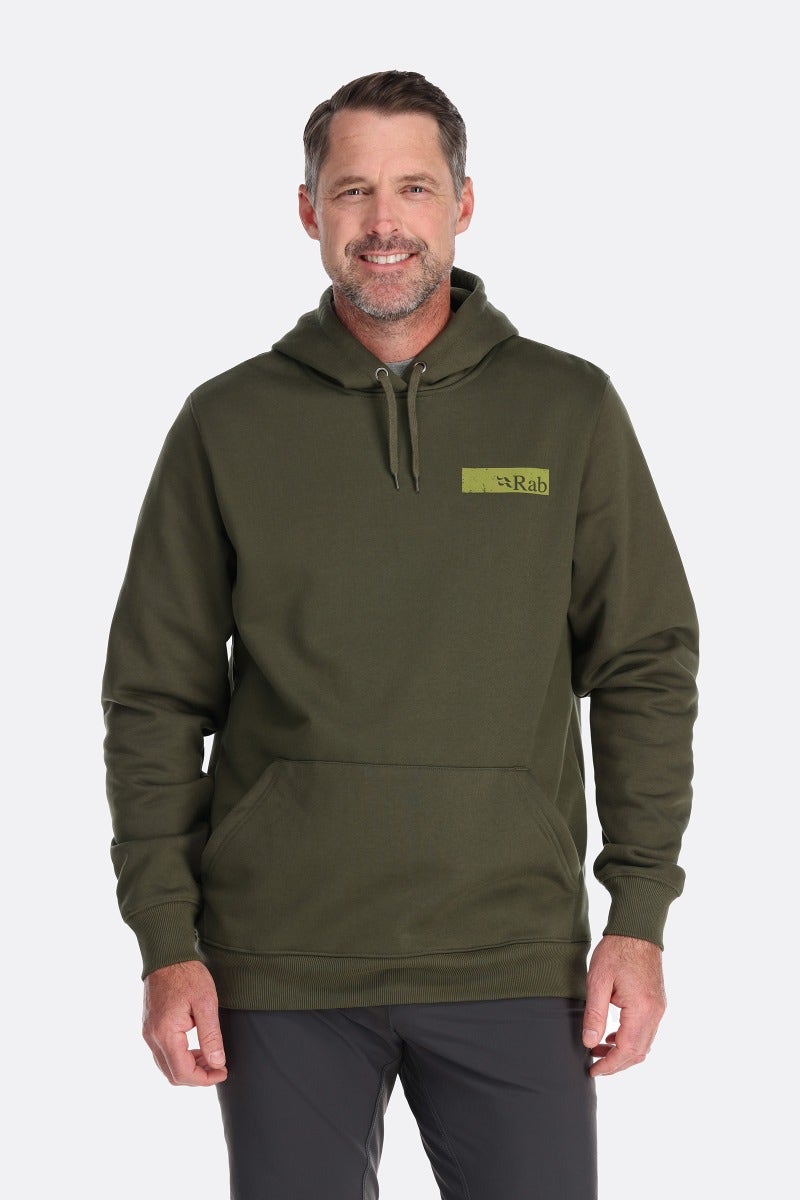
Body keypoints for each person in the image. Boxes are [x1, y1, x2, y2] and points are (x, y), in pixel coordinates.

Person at [101, 69, 699, 1200]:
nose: (384, 223)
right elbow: (154, 701)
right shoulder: (227, 423)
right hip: (279, 965)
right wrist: (167, 941)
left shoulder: (566, 409)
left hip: (512, 954)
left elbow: (643, 669)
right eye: (353, 191)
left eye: (414, 188)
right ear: (308, 210)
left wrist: (639, 917)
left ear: (462, 204)